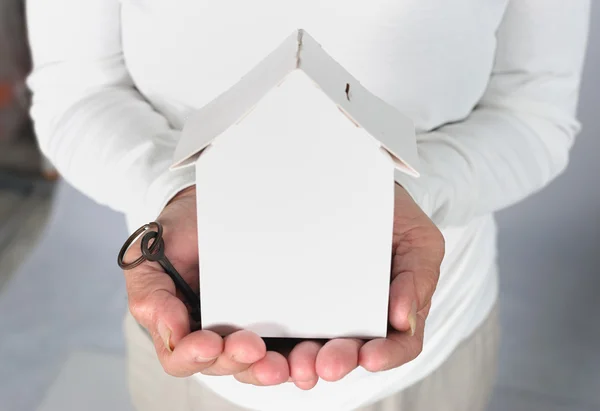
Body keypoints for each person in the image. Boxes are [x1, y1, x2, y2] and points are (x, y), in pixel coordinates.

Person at [25, 1, 590, 410]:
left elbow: (532, 113)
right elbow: (78, 94)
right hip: (195, 343)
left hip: (433, 345)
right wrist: (172, 196)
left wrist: (404, 198)